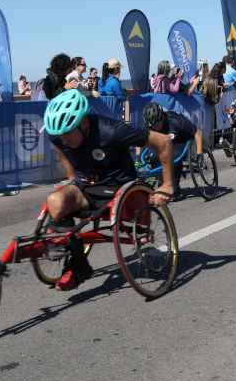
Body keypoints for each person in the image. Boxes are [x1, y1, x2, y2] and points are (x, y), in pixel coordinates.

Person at [43, 90, 175, 290]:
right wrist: (71, 175)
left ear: (84, 123)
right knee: (54, 201)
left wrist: (167, 185)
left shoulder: (112, 131)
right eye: (60, 136)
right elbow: (60, 146)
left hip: (116, 188)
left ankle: (73, 262)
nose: (64, 140)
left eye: (68, 134)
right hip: (85, 186)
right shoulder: (59, 136)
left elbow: (163, 142)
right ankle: (76, 264)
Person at [140, 102, 204, 200]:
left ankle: (174, 183)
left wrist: (200, 154)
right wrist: (138, 156)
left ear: (162, 117)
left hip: (179, 142)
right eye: (151, 125)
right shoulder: (147, 124)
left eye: (156, 123)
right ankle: (163, 174)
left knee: (174, 156)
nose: (154, 127)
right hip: (161, 144)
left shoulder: (175, 121)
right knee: (152, 156)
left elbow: (198, 132)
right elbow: (139, 140)